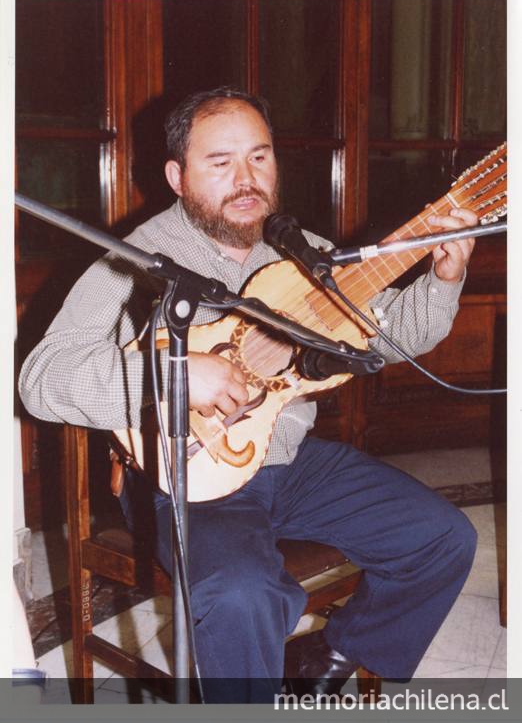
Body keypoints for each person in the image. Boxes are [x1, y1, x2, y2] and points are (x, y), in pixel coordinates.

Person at [19, 87, 478, 703]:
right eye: (221, 162)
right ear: (177, 177)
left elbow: (392, 336)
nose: (246, 179)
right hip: (189, 477)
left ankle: (336, 649)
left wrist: (445, 276)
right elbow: (40, 378)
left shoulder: (301, 250)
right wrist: (173, 377)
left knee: (443, 536)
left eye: (260, 158)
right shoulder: (128, 261)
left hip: (289, 465)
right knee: (242, 593)